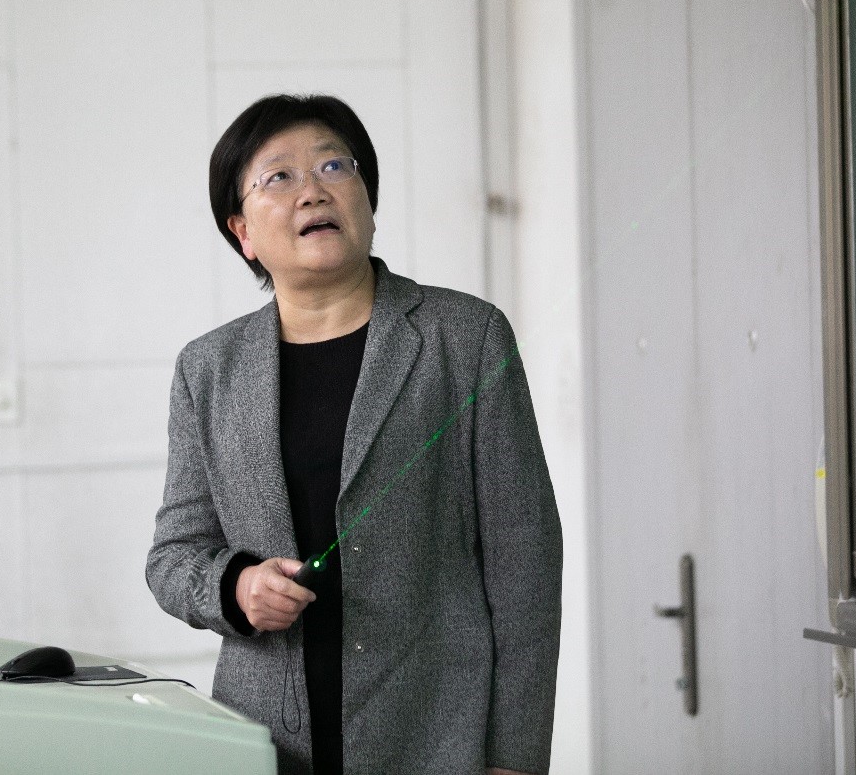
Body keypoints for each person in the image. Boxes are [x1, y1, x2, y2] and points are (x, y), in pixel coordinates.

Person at [146, 93, 562, 775]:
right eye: (279, 176)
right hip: (269, 741)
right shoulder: (209, 369)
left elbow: (526, 561)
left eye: (334, 166)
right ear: (242, 232)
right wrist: (238, 586)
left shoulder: (465, 337)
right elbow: (173, 556)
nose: (313, 189)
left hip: (435, 738)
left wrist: (515, 756)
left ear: (367, 200)